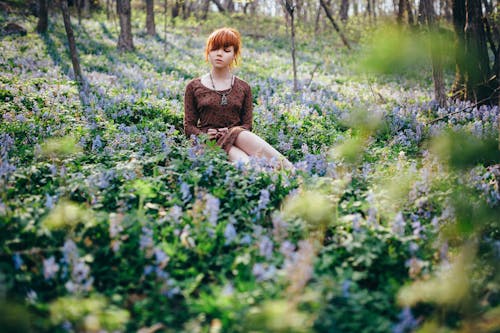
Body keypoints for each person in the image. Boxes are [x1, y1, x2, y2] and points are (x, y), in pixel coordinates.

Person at [183, 27, 294, 171]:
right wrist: (203, 135)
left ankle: (293, 172)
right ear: (208, 52)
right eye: (214, 49)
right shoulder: (193, 86)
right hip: (208, 143)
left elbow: (247, 125)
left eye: (226, 50)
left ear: (235, 54)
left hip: (238, 137)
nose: (219, 54)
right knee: (248, 166)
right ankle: (280, 181)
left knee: (241, 134)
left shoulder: (243, 87)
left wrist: (231, 131)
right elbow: (189, 126)